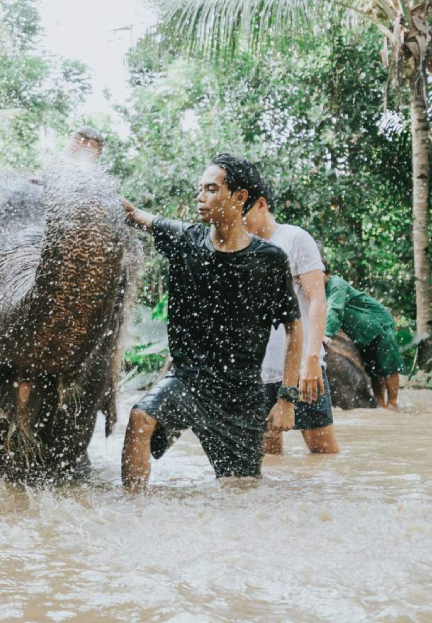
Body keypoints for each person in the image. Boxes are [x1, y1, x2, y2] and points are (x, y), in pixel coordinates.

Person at [120, 154, 306, 487]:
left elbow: (294, 327)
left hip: (241, 397)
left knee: (240, 494)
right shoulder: (185, 240)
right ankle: (134, 511)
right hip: (188, 381)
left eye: (210, 189)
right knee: (140, 418)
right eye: (200, 189)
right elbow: (135, 214)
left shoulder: (269, 260)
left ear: (239, 197)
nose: (200, 197)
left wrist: (286, 399)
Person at [243, 181, 339, 454]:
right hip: (259, 373)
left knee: (323, 453)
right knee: (269, 459)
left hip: (301, 370)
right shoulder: (243, 245)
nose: (239, 221)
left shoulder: (295, 238)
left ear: (261, 204)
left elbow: (318, 300)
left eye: (244, 214)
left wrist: (312, 360)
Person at [323, 263, 404, 409]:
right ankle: (380, 403)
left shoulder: (336, 284)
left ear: (324, 272)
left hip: (379, 325)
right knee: (374, 370)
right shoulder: (320, 291)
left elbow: (335, 310)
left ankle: (393, 403)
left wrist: (327, 334)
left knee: (388, 366)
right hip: (363, 334)